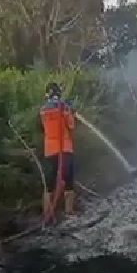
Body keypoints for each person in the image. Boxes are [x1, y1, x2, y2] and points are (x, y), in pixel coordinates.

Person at [40, 82, 78, 219]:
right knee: (68, 180)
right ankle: (69, 212)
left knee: (49, 183)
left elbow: (44, 127)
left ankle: (47, 214)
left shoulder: (43, 110)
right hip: (65, 148)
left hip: (50, 150)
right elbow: (72, 126)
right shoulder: (64, 108)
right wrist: (69, 111)